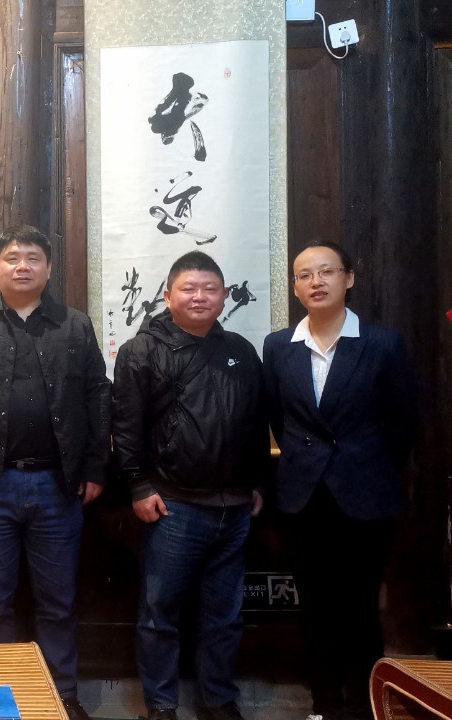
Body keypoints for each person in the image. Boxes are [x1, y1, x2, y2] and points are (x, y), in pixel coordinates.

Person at [0, 225, 111, 720]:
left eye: (33, 257)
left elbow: (98, 396)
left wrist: (95, 465)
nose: (23, 265)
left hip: (58, 484)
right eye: (12, 257)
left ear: (49, 267)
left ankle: (61, 695)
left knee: (57, 600)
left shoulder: (75, 325)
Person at [263, 241, 417, 720]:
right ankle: (324, 704)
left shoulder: (382, 344)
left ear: (348, 278)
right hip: (303, 496)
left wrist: (365, 463)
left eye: (327, 271)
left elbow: (403, 423)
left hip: (365, 494)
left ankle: (365, 704)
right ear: (295, 287)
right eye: (305, 275)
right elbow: (277, 416)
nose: (316, 282)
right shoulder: (278, 346)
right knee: (314, 605)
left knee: (361, 605)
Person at [112, 251, 269, 720]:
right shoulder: (142, 350)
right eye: (189, 288)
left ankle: (218, 698)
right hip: (173, 504)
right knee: (160, 612)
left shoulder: (240, 349)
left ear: (224, 295)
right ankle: (161, 703)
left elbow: (255, 420)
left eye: (210, 289)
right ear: (167, 295)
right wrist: (138, 486)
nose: (200, 297)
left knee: (225, 614)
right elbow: (125, 426)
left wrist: (257, 482)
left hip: (235, 506)